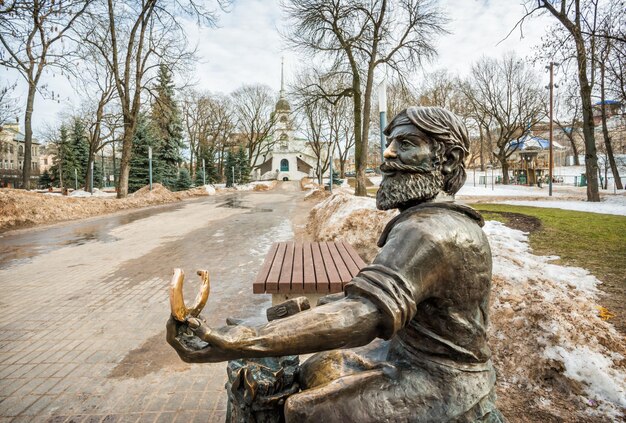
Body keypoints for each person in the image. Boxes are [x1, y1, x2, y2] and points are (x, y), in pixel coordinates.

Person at [167, 106, 505, 422]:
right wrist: (304, 315)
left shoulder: (429, 232)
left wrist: (243, 340)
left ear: (448, 160)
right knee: (316, 367)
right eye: (390, 144)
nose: (388, 154)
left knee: (304, 410)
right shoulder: (425, 220)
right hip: (406, 353)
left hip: (443, 379)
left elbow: (363, 313)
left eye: (406, 144)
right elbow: (368, 301)